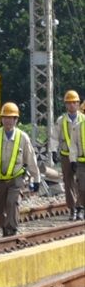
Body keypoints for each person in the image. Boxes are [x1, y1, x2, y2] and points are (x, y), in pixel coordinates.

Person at [0, 102, 41, 236]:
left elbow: (31, 159)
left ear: (16, 120)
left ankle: (12, 230)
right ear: (1, 119)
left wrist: (36, 178)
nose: (8, 121)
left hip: (16, 178)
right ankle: (4, 227)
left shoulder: (23, 137)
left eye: (11, 118)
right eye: (5, 117)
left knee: (12, 203)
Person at [52, 89, 83, 220]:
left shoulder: (83, 119)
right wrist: (53, 150)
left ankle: (80, 207)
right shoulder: (61, 120)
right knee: (68, 183)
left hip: (81, 157)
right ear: (65, 105)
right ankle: (72, 209)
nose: (71, 105)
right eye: (69, 103)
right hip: (66, 155)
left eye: (74, 102)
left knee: (81, 183)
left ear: (78, 104)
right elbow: (54, 137)